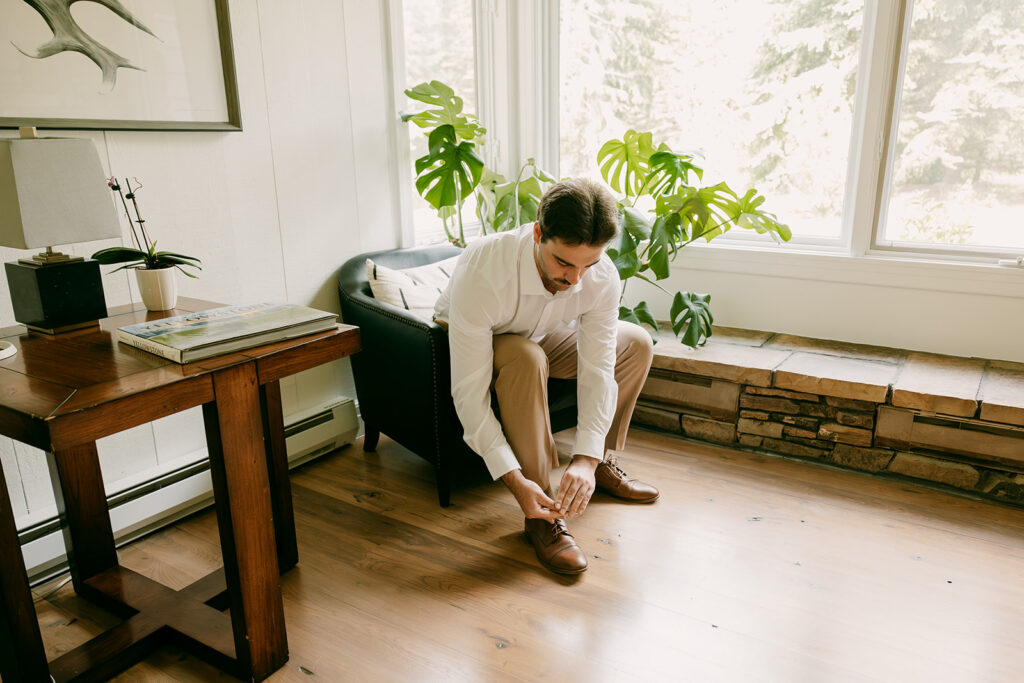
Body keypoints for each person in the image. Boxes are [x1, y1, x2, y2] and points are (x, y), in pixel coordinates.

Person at [433, 178, 658, 575]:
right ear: (539, 233)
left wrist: (585, 457)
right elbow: (468, 394)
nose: (576, 280)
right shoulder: (484, 269)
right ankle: (542, 513)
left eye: (588, 264)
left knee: (635, 343)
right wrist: (514, 480)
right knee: (526, 357)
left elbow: (598, 367)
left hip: (538, 333)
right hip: (478, 337)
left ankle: (595, 466)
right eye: (564, 263)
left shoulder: (599, 275)